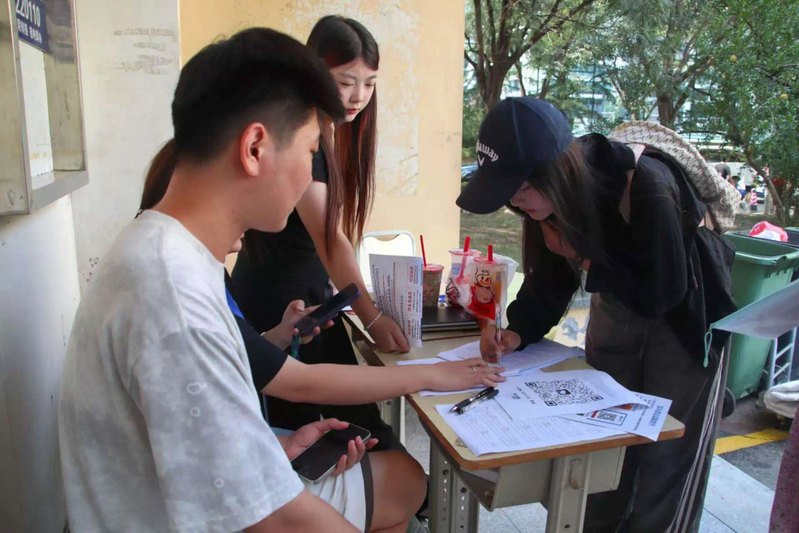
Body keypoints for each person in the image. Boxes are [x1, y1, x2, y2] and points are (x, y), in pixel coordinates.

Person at [59, 28, 425, 533]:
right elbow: (275, 521)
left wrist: (273, 444)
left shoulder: (166, 252)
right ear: (255, 148)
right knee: (405, 480)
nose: (310, 176)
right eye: (310, 151)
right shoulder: (173, 299)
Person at [458, 97, 734, 532]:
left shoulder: (647, 186)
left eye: (521, 189)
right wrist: (518, 332)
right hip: (619, 300)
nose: (515, 201)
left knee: (665, 453)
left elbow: (663, 291)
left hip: (684, 315)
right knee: (603, 440)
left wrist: (587, 259)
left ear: (554, 171)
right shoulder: (543, 199)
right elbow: (549, 277)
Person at [139, 139, 506, 415]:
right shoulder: (182, 282)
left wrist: (279, 335)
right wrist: (430, 374)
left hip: (239, 436)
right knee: (402, 476)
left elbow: (237, 357)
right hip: (226, 462)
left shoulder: (189, 263)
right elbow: (299, 382)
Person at [229, 16, 407, 449]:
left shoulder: (322, 132)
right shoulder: (305, 138)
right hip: (281, 310)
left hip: (308, 305)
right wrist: (372, 317)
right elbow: (330, 240)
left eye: (370, 84)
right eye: (346, 81)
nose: (358, 96)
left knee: (356, 433)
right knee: (334, 438)